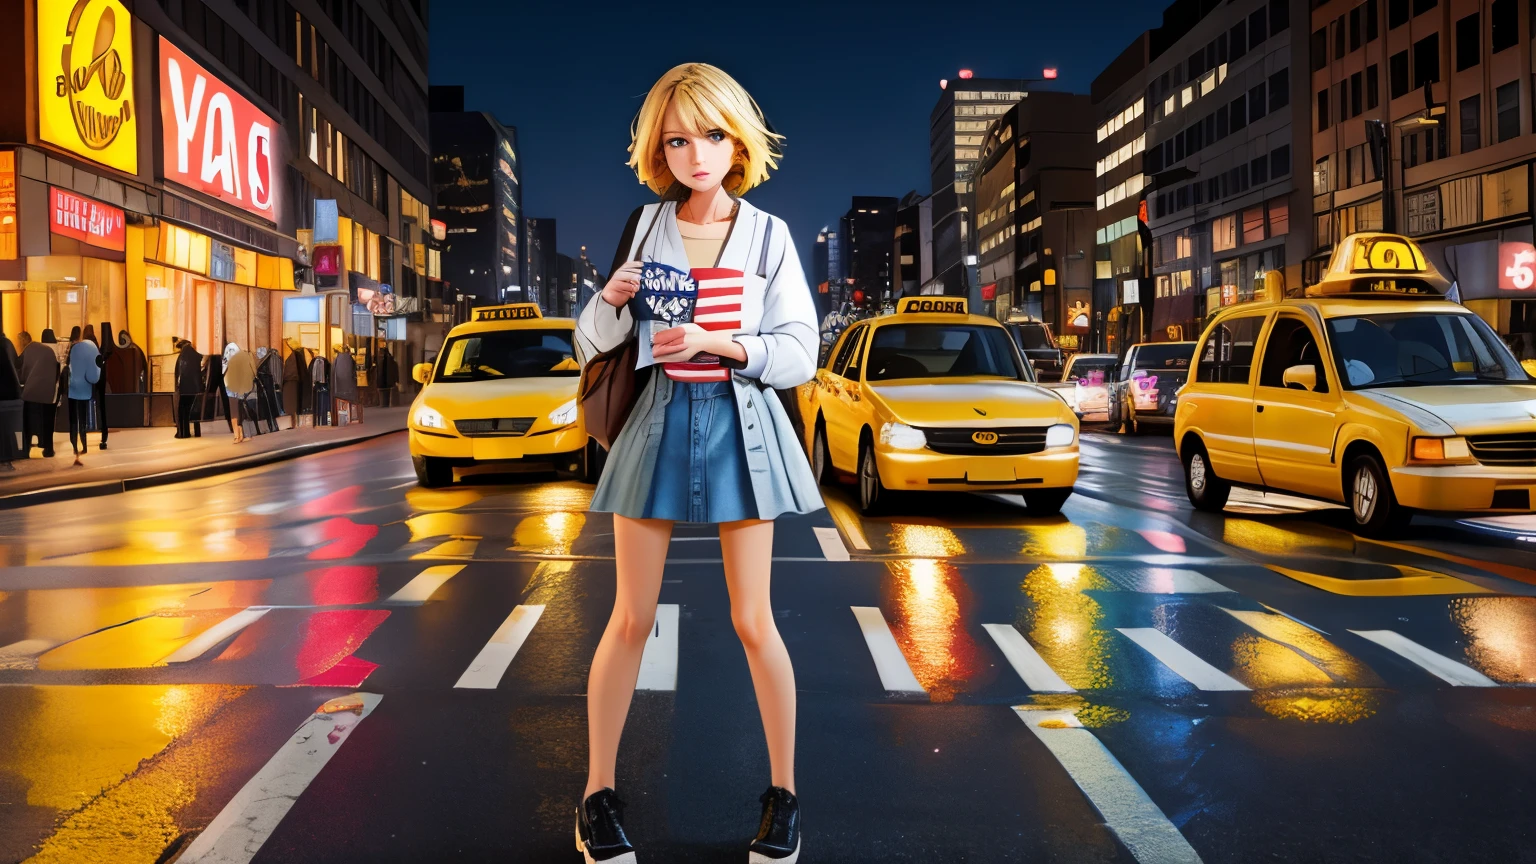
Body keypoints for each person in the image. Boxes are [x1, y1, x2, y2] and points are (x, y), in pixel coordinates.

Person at [572, 63, 820, 864]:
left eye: (711, 134)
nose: (695, 154)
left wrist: (724, 344)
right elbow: (589, 346)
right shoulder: (645, 228)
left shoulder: (768, 233)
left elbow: (799, 353)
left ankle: (784, 797)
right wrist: (610, 300)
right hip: (655, 419)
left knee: (755, 620)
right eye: (677, 139)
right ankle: (595, 795)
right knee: (629, 618)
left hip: (741, 423)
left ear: (738, 139)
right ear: (658, 149)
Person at [19, 330, 59, 457]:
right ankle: (48, 449)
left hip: (31, 393)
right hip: (49, 394)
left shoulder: (29, 350)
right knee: (47, 422)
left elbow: (22, 374)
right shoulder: (51, 350)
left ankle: (25, 450)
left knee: (27, 423)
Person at [66, 329, 100, 464]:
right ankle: (84, 447)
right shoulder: (88, 349)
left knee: (73, 420)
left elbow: (68, 366)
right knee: (83, 418)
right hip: (84, 388)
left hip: (72, 387)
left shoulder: (73, 348)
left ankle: (75, 447)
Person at [224, 344, 257, 444]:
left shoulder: (229, 361)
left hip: (234, 389)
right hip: (238, 390)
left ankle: (238, 435)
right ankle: (240, 434)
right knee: (239, 412)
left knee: (236, 412)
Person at [174, 340, 203, 439]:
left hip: (184, 389)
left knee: (183, 411)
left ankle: (183, 433)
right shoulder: (196, 354)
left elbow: (179, 374)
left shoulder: (182, 356)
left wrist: (178, 387)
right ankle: (197, 432)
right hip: (195, 388)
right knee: (195, 410)